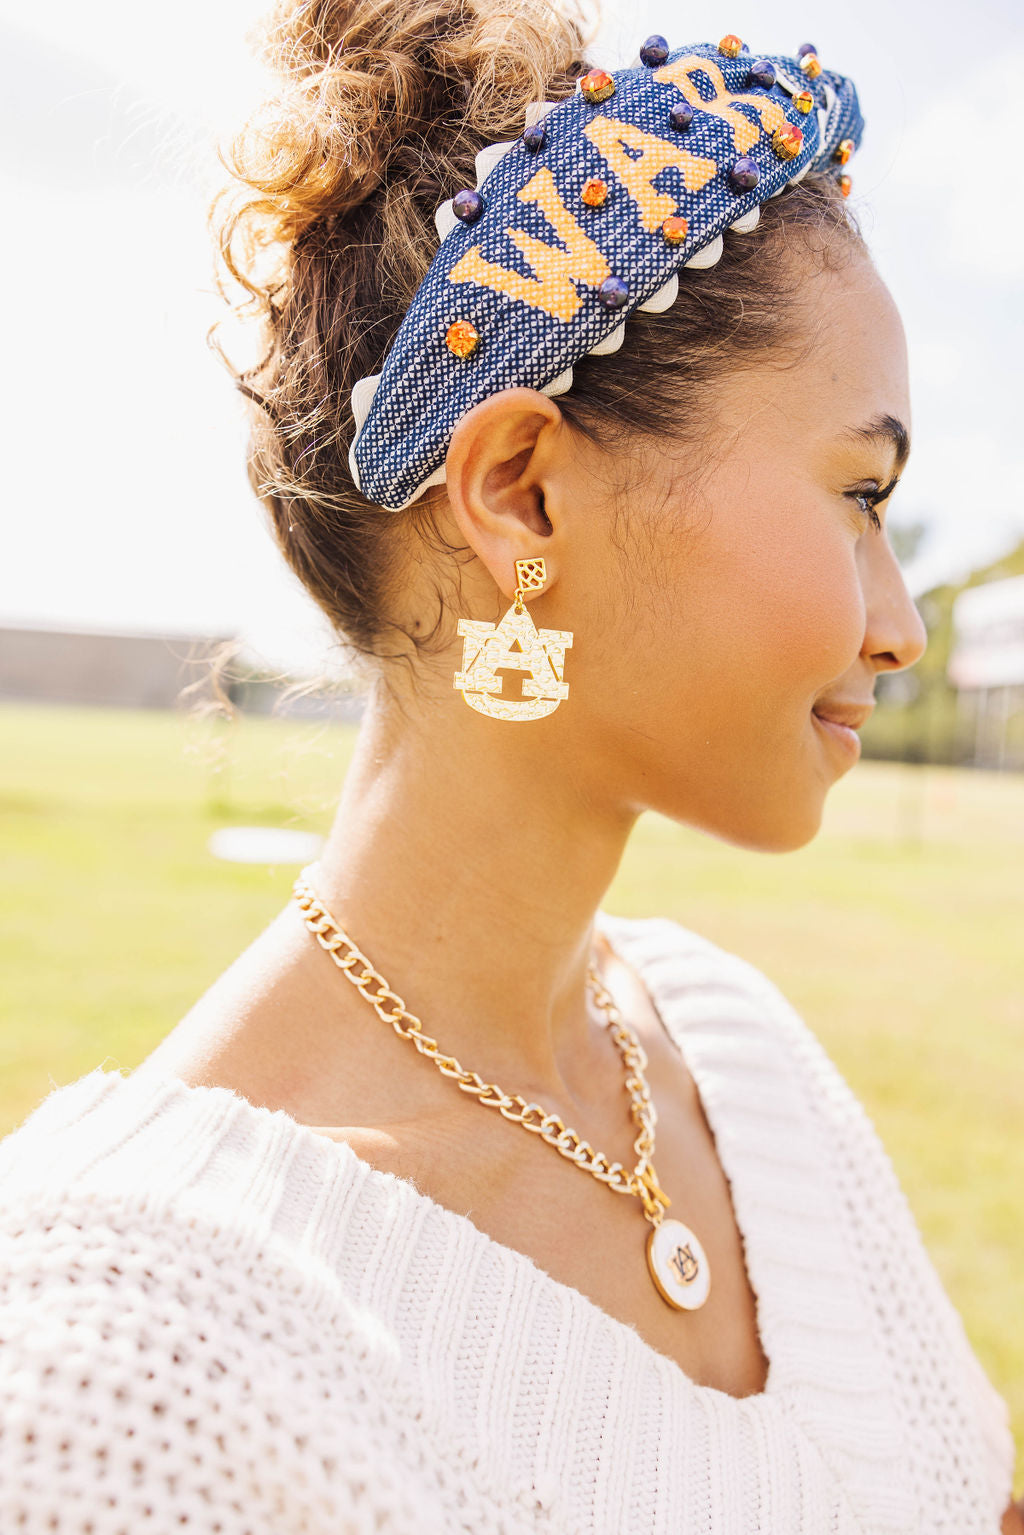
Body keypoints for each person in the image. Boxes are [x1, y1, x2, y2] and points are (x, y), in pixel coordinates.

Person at [0, 2, 1019, 1530]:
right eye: (860, 494)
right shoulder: (120, 1369)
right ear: (522, 496)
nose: (898, 633)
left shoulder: (738, 1054)